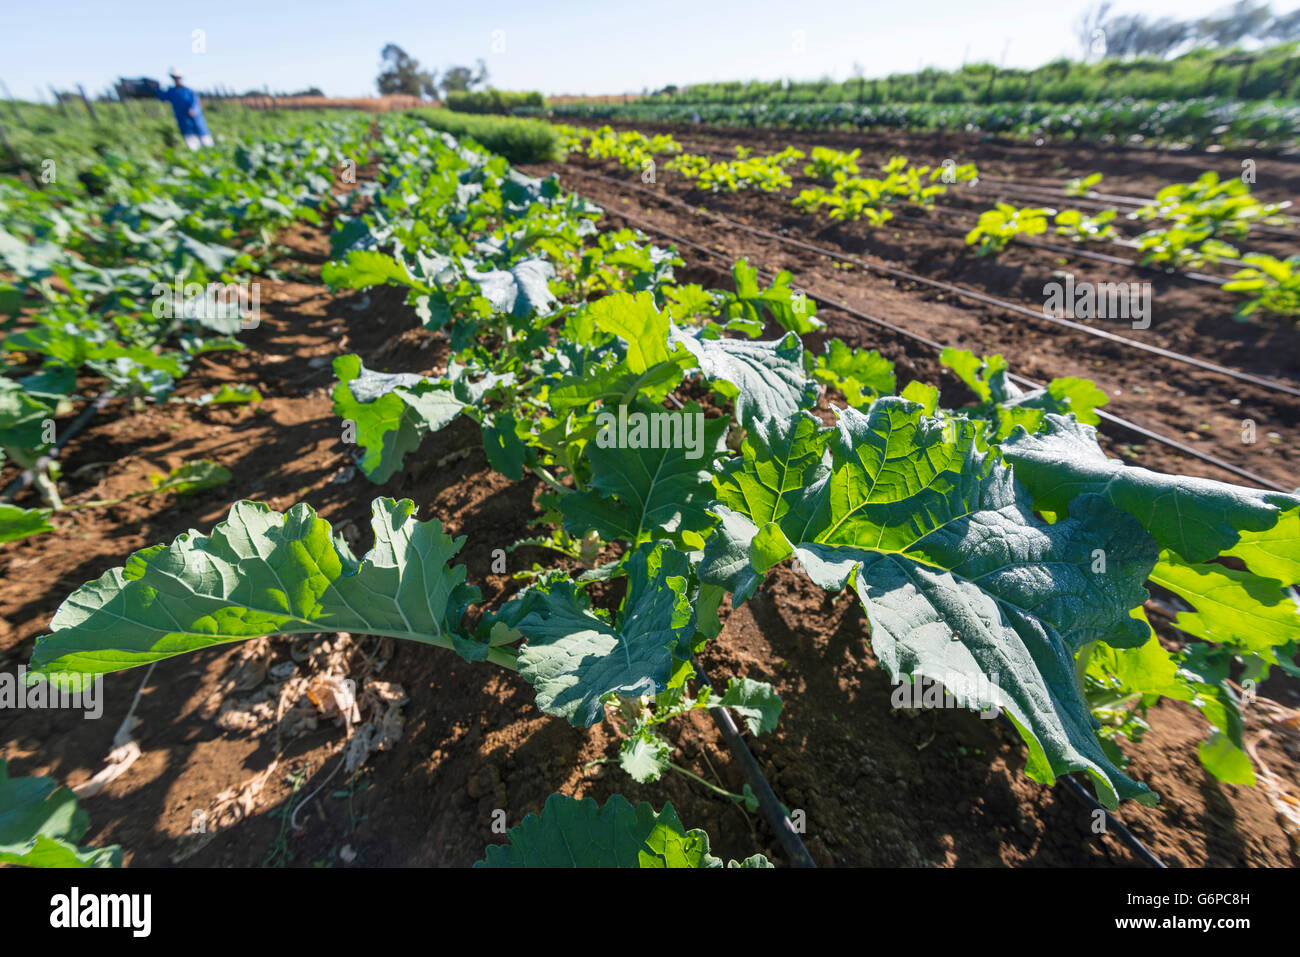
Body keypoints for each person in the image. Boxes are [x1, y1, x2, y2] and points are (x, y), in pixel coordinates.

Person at [155, 69, 214, 150]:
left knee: (207, 144)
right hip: (184, 123)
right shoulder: (172, 92)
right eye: (175, 78)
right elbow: (162, 97)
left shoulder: (189, 91)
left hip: (197, 122)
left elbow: (196, 103)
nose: (177, 80)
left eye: (178, 78)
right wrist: (157, 89)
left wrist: (193, 110)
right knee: (193, 146)